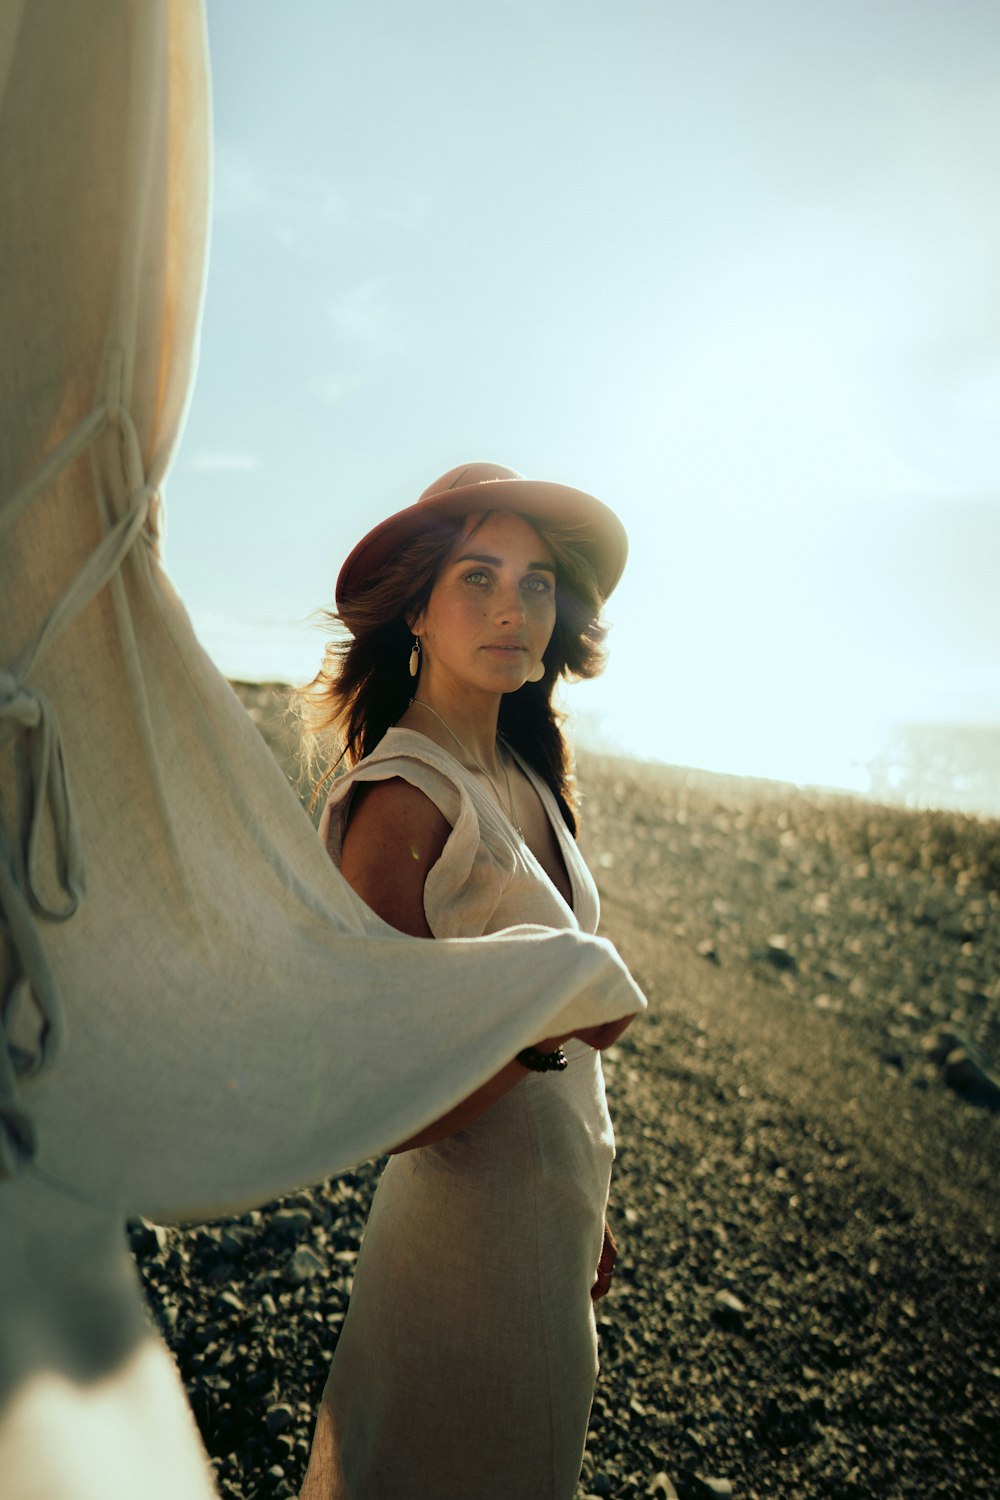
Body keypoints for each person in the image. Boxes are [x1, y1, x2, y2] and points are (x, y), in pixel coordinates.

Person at [297, 462, 636, 1500]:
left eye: (536, 584)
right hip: (458, 1269)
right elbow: (372, 1100)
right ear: (416, 610)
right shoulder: (403, 800)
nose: (512, 609)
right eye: (477, 579)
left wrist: (583, 1205)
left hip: (541, 1238)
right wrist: (545, 1020)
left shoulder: (527, 772)